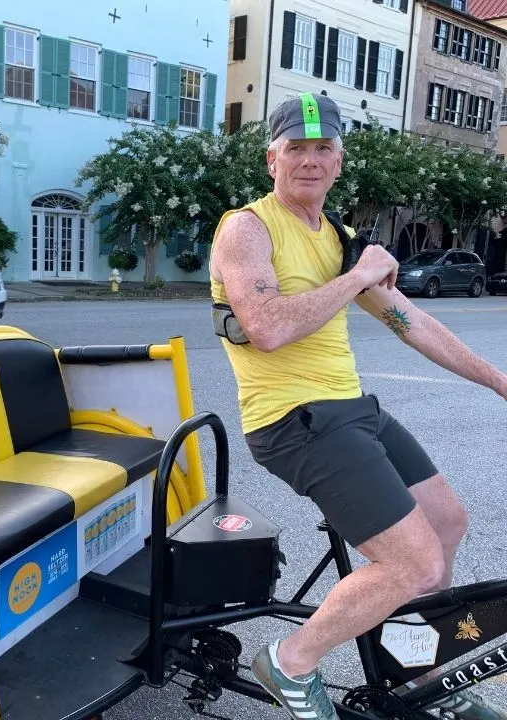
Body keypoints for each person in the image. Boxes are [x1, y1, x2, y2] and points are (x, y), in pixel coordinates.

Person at [208, 92, 507, 720]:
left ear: (340, 160)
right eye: (296, 148)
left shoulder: (337, 237)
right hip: (293, 421)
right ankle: (289, 662)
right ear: (272, 158)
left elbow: (413, 324)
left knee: (448, 524)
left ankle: (418, 672)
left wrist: (500, 382)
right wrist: (357, 276)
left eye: (323, 148)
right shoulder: (247, 228)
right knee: (413, 560)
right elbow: (264, 326)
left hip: (352, 409)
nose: (309, 161)